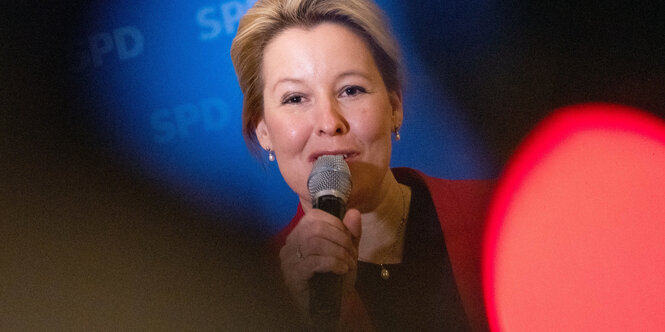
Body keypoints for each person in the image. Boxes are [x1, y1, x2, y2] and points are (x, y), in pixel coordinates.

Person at [230, 0, 494, 330]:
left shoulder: (497, 212)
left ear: (394, 106)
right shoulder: (250, 287)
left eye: (351, 90)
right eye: (295, 98)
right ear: (263, 129)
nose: (329, 122)